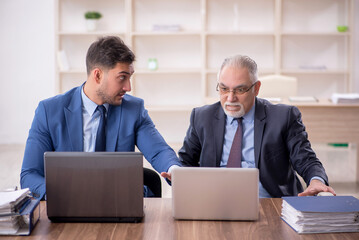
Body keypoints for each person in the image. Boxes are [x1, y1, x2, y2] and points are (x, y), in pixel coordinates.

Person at [20, 36, 181, 199]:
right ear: (97, 75)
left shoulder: (133, 110)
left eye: (129, 77)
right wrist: (63, 194)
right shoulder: (49, 111)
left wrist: (174, 170)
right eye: (122, 77)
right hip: (69, 205)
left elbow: (158, 150)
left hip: (119, 202)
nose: (128, 87)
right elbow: (29, 175)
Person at [178, 54, 336, 198]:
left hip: (269, 201)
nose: (230, 98)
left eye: (240, 90)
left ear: (256, 88)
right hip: (215, 199)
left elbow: (306, 159)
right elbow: (186, 161)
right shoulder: (202, 117)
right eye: (224, 89)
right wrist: (179, 175)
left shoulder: (283, 117)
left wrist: (316, 181)